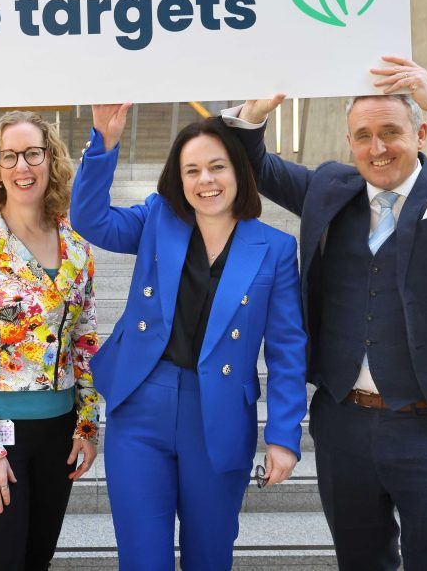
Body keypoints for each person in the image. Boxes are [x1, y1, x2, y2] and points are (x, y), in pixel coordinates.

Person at [223, 55, 427, 571]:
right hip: (344, 423)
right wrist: (253, 115)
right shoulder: (329, 189)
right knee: (360, 559)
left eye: (390, 132)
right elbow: (257, 167)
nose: (377, 148)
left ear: (420, 134)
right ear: (349, 143)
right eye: (363, 136)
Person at [69, 107, 308, 571]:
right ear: (178, 180)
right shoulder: (159, 219)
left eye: (217, 167)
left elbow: (286, 351)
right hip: (141, 406)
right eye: (192, 170)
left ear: (239, 171)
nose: (206, 181)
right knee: (143, 559)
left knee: (210, 557)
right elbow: (90, 220)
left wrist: (283, 434)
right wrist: (105, 141)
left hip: (217, 416)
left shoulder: (276, 249)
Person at [0, 111, 100, 571]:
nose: (22, 166)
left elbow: (85, 339)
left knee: (36, 559)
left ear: (51, 160)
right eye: (10, 156)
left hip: (59, 435)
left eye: (33, 153)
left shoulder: (77, 244)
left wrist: (88, 425)